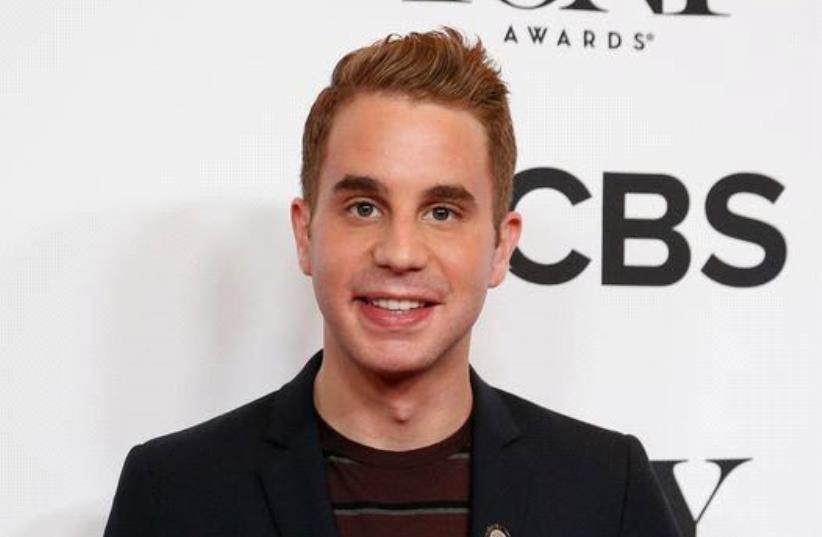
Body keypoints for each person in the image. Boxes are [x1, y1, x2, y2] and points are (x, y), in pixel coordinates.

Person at [103, 27, 681, 537]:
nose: (400, 253)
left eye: (442, 212)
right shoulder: (174, 493)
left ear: (501, 246)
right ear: (306, 234)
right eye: (363, 207)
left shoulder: (607, 489)